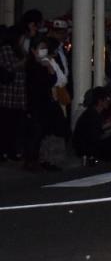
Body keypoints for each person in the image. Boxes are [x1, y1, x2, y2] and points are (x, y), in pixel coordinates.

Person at [23, 37, 64, 171]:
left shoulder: (45, 63)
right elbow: (36, 84)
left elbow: (52, 80)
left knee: (43, 132)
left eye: (45, 48)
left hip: (45, 102)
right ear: (33, 50)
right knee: (35, 132)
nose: (44, 50)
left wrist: (49, 67)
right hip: (35, 103)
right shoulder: (31, 65)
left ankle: (41, 159)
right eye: (41, 48)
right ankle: (31, 160)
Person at [72, 86, 111, 163]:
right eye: (107, 99)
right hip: (85, 148)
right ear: (100, 101)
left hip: (86, 144)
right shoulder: (92, 114)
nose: (109, 101)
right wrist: (110, 132)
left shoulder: (94, 112)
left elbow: (98, 129)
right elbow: (95, 136)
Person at [0, 25, 27, 162]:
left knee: (14, 126)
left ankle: (11, 151)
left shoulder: (20, 50)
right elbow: (9, 67)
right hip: (7, 95)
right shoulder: (6, 49)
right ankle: (4, 152)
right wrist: (23, 62)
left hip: (18, 95)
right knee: (6, 125)